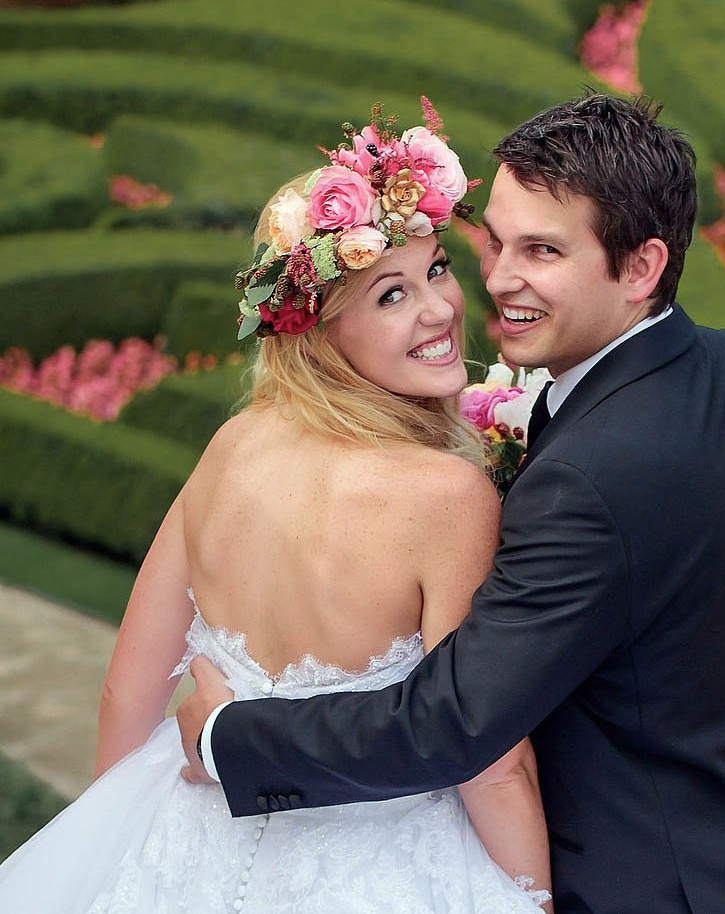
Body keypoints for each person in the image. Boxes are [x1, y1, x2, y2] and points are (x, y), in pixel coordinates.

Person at [178, 93, 725, 914]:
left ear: (641, 267)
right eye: (495, 242)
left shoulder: (583, 481)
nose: (497, 279)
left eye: (542, 251)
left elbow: (449, 725)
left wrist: (229, 737)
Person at [0, 102, 553, 913]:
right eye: (389, 296)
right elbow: (488, 759)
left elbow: (128, 691)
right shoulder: (447, 495)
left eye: (435, 269)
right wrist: (535, 899)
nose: (439, 308)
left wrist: (114, 850)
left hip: (187, 844)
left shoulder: (232, 447)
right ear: (319, 332)